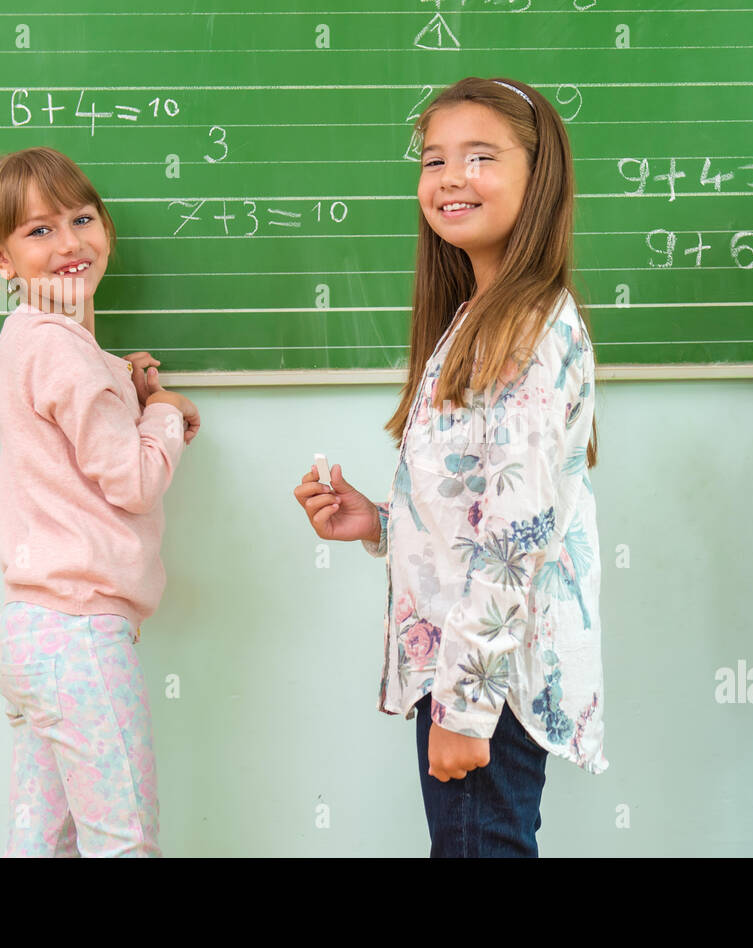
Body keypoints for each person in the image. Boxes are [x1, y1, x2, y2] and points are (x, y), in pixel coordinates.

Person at [293, 77, 606, 857]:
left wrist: (464, 706)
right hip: (473, 665)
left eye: (480, 157)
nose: (450, 177)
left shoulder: (526, 326)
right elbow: (482, 503)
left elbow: (518, 532)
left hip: (485, 678)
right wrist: (383, 521)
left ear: (539, 180)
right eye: (434, 160)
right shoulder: (480, 314)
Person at [0, 146, 200, 856]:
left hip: (30, 632)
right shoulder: (65, 351)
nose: (70, 242)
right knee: (123, 841)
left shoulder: (27, 339)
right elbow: (132, 482)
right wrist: (164, 411)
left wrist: (122, 380)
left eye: (81, 218)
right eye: (39, 231)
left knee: (42, 843)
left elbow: (72, 402)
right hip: (79, 636)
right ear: (2, 259)